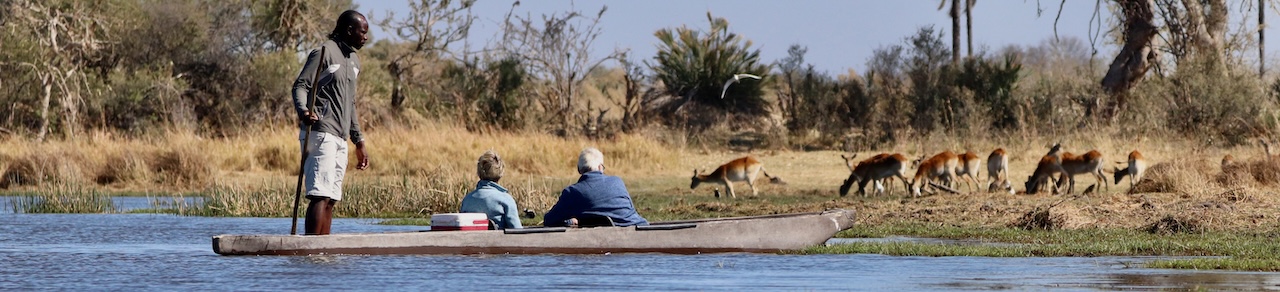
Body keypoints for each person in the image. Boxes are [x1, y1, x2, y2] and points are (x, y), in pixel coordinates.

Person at [292, 10, 371, 235]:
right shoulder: (324, 52)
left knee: (332, 198)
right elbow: (300, 86)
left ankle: (324, 252)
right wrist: (304, 111)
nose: (365, 37)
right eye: (362, 32)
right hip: (320, 132)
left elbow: (350, 104)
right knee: (319, 194)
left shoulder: (354, 60)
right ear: (349, 30)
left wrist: (359, 140)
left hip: (340, 136)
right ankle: (311, 251)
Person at [543, 148, 648, 227]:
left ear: (579, 170)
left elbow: (549, 220)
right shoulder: (617, 182)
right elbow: (632, 214)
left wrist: (569, 221)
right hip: (632, 231)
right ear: (600, 167)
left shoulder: (571, 192)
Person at [459, 150, 523, 229]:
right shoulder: (506, 199)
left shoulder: (467, 200)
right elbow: (517, 230)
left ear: (479, 173)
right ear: (501, 173)